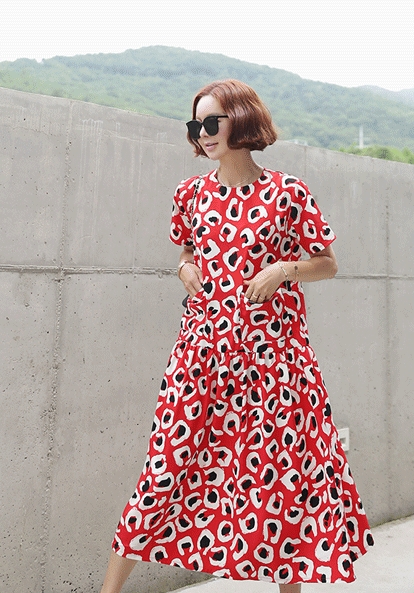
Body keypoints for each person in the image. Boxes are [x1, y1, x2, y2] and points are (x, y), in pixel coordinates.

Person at [100, 79, 373, 593]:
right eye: (195, 125)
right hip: (201, 356)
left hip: (275, 363)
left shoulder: (288, 193)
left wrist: (283, 270)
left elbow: (327, 264)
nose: (202, 134)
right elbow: (186, 252)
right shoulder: (190, 195)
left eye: (211, 122)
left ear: (241, 121)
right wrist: (183, 268)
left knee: (282, 482)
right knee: (163, 472)